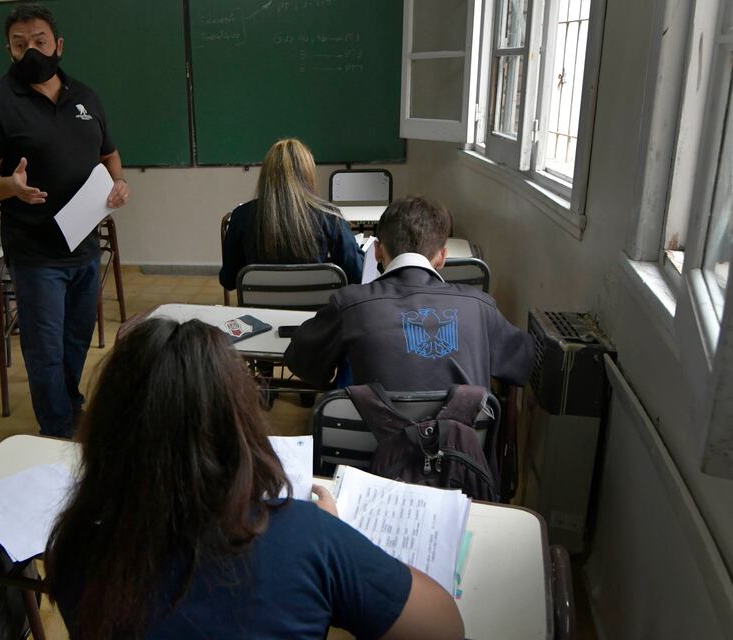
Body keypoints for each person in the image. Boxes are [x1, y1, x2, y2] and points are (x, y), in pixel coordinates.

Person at [44, 317, 464, 640]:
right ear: (238, 425)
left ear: (105, 431)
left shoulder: (75, 546)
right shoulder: (308, 536)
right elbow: (444, 627)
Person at [0, 3, 131, 438]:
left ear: (58, 44)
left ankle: (69, 403)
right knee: (45, 346)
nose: (31, 51)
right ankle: (57, 429)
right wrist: (11, 187)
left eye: (39, 41)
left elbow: (108, 154)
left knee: (78, 336)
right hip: (35, 250)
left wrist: (120, 183)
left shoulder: (86, 96)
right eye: (20, 45)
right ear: (9, 51)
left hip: (84, 242)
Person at [285, 197, 533, 390]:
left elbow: (303, 363)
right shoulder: (480, 307)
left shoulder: (350, 304)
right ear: (442, 257)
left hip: (369, 449)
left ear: (378, 252)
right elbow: (522, 365)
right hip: (459, 450)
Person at [219, 138, 363, 290]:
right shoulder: (329, 217)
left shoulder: (241, 217)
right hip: (314, 312)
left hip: (258, 311)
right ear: (308, 173)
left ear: (266, 174)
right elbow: (358, 275)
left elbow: (228, 280)